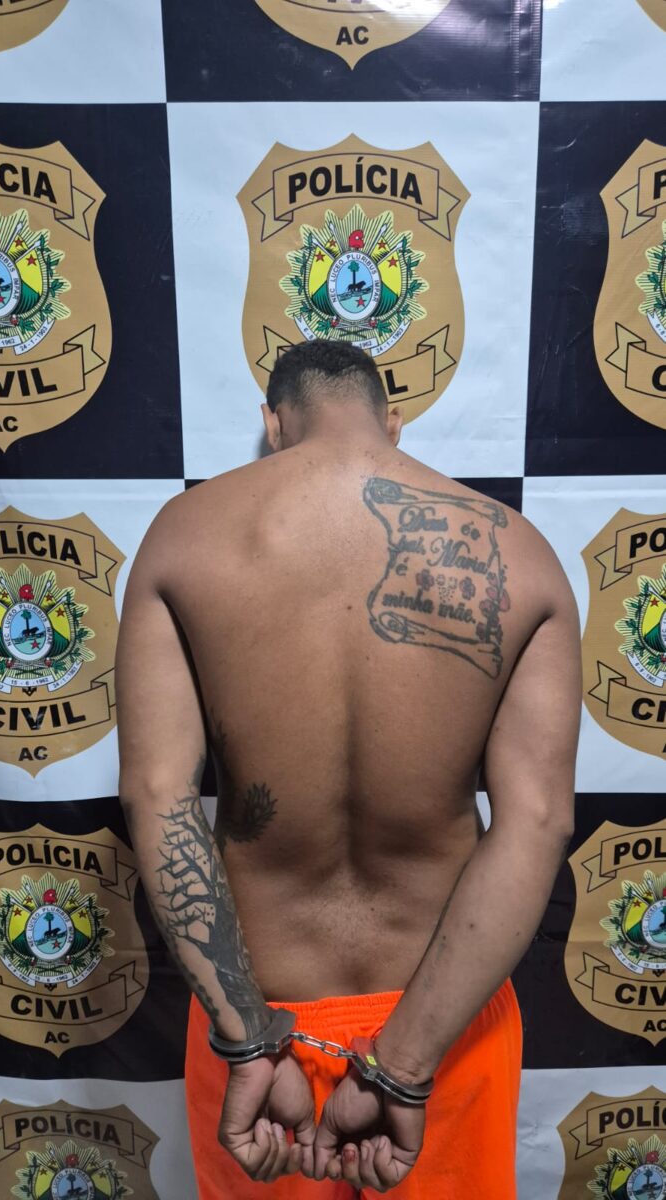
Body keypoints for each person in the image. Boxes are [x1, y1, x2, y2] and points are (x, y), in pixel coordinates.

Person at [116, 340, 581, 1198]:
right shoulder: (521, 554)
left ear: (272, 423)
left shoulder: (184, 538)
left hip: (262, 1029)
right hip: (440, 1028)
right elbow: (539, 822)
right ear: (392, 421)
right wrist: (400, 1068)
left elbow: (158, 797)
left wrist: (248, 1042)